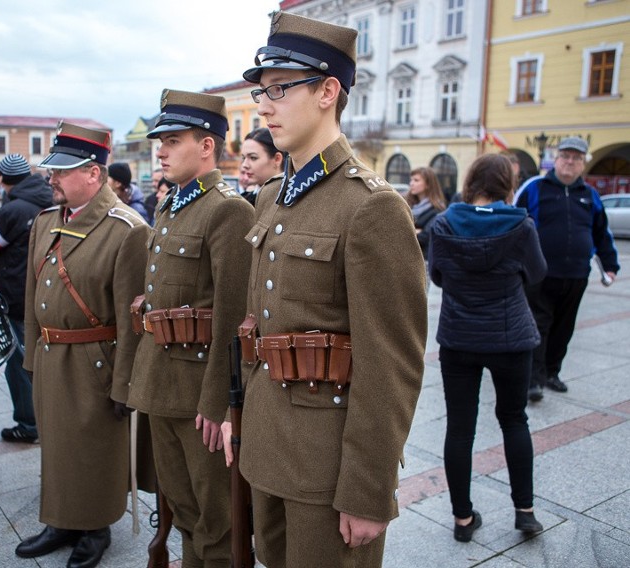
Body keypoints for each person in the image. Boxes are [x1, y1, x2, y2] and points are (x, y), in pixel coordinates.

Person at [222, 12, 427, 567]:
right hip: (266, 446)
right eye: (261, 92)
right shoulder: (272, 197)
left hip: (327, 469)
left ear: (328, 92)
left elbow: (393, 365)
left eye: (279, 89)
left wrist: (367, 490)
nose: (263, 107)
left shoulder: (372, 207)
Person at [127, 89, 255, 567]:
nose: (160, 149)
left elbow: (230, 315)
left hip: (199, 396)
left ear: (207, 146)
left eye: (172, 140)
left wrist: (217, 402)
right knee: (180, 510)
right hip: (162, 385)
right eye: (161, 140)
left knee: (215, 520)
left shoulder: (227, 209)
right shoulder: (170, 207)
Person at [15, 121, 150, 567]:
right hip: (53, 354)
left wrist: (124, 385)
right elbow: (32, 297)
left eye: (63, 171)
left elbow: (133, 321)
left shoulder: (126, 229)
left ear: (94, 173)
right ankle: (60, 519)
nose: (51, 178)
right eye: (52, 170)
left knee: (93, 449)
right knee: (56, 445)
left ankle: (94, 526)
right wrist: (31, 355)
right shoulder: (46, 222)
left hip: (97, 360)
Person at [428, 154, 547, 543]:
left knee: (460, 429)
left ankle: (463, 519)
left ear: (471, 181)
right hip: (510, 336)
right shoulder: (521, 225)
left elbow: (439, 276)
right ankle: (525, 512)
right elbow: (537, 273)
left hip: (459, 338)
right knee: (514, 419)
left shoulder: (444, 224)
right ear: (506, 185)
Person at [516, 136, 620, 401]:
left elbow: (601, 232)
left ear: (582, 164)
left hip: (575, 274)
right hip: (540, 274)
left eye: (576, 158)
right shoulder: (535, 188)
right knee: (538, 325)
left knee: (564, 327)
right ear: (556, 159)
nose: (570, 162)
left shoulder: (590, 195)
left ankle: (552, 372)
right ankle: (534, 380)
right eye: (565, 156)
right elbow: (516, 224)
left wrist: (610, 265)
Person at [0, 153, 52, 445]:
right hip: (43, 291)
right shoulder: (49, 199)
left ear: (2, 180)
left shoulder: (15, 209)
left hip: (17, 295)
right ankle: (44, 416)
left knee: (18, 360)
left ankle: (28, 423)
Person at [406, 166, 446, 261]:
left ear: (428, 184)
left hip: (425, 260)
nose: (411, 183)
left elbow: (424, 237)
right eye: (411, 180)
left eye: (416, 180)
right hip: (406, 259)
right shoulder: (408, 205)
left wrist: (408, 230)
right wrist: (415, 231)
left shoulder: (437, 209)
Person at [239, 127, 285, 206]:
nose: (244, 165)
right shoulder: (244, 201)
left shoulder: (290, 202)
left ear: (277, 159)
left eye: (253, 158)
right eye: (243, 158)